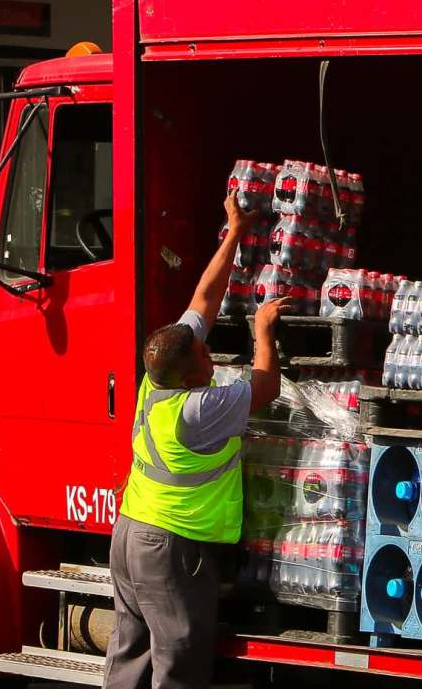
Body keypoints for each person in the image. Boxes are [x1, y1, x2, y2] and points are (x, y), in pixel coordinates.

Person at [104, 195, 290, 689]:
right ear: (191, 374)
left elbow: (202, 301)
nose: (210, 352)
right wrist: (263, 332)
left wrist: (234, 231)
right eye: (207, 355)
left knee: (130, 659)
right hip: (172, 548)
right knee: (178, 665)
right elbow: (266, 387)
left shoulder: (156, 381)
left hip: (130, 536)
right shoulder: (198, 411)